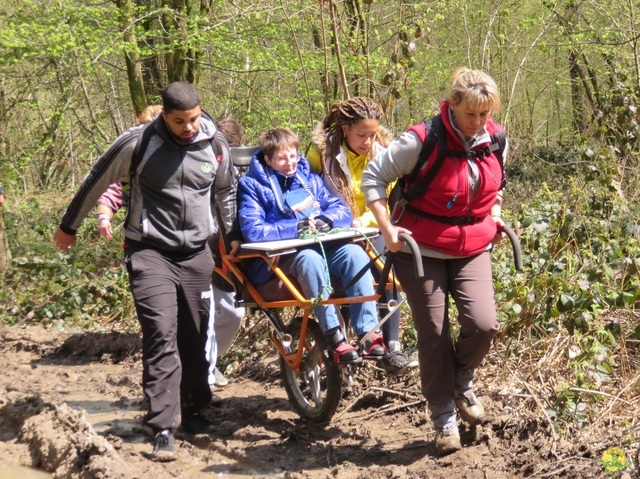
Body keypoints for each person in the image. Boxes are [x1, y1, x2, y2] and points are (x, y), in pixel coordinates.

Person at [53, 82, 241, 462]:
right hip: (149, 250)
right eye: (179, 121)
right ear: (165, 117)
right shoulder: (138, 143)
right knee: (160, 334)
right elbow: (97, 179)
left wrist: (232, 234)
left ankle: (195, 407)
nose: (188, 127)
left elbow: (226, 191)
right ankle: (163, 426)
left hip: (196, 254)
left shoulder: (214, 144)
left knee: (195, 331)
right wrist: (69, 226)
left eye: (193, 118)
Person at [362, 68, 507, 455]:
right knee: (434, 333)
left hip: (473, 244)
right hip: (418, 248)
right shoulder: (420, 140)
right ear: (453, 104)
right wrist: (387, 228)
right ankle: (444, 418)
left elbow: (495, 186)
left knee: (484, 324)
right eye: (471, 114)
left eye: (485, 115)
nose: (478, 124)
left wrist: (494, 212)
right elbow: (374, 179)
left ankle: (462, 379)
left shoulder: (495, 138)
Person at [94, 115, 246, 392]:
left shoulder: (214, 154)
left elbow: (231, 195)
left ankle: (207, 364)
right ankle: (196, 376)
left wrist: (235, 234)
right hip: (162, 246)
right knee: (182, 319)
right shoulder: (142, 157)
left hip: (216, 246)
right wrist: (104, 213)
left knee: (230, 312)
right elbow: (112, 188)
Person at [237, 127, 387, 363]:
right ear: (268, 160)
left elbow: (341, 210)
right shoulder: (252, 186)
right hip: (283, 257)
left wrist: (327, 220)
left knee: (355, 254)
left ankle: (368, 332)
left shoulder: (310, 180)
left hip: (324, 246)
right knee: (310, 259)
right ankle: (334, 336)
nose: (290, 163)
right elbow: (253, 230)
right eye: (282, 158)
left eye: (294, 156)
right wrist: (295, 228)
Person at [307, 97, 419, 376]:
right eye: (361, 135)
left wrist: (366, 221)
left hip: (371, 223)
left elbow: (389, 198)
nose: (368, 141)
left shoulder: (383, 152)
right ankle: (342, 351)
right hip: (336, 228)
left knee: (387, 267)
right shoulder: (321, 153)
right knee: (345, 278)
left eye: (372, 134)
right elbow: (308, 191)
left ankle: (391, 344)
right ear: (345, 128)